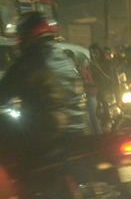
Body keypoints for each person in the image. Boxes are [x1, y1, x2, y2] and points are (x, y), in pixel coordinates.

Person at [0, 11, 90, 168]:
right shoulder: (63, 57)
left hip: (46, 135)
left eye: (19, 37)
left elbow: (4, 91)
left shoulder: (29, 62)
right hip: (76, 131)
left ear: (27, 35)